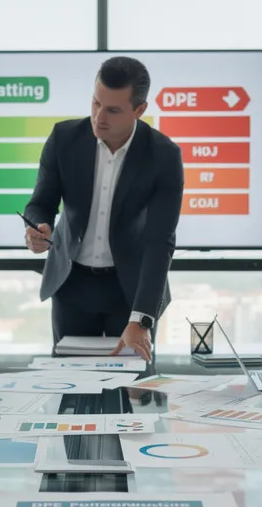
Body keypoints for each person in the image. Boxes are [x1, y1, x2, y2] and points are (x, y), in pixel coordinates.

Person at [22, 56, 184, 362]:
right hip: (72, 284)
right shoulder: (64, 139)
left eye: (112, 110)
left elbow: (160, 240)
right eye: (96, 103)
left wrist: (141, 319)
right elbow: (39, 204)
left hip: (131, 289)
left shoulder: (164, 156)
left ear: (139, 110)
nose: (99, 117)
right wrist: (37, 228)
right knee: (69, 390)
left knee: (132, 392)